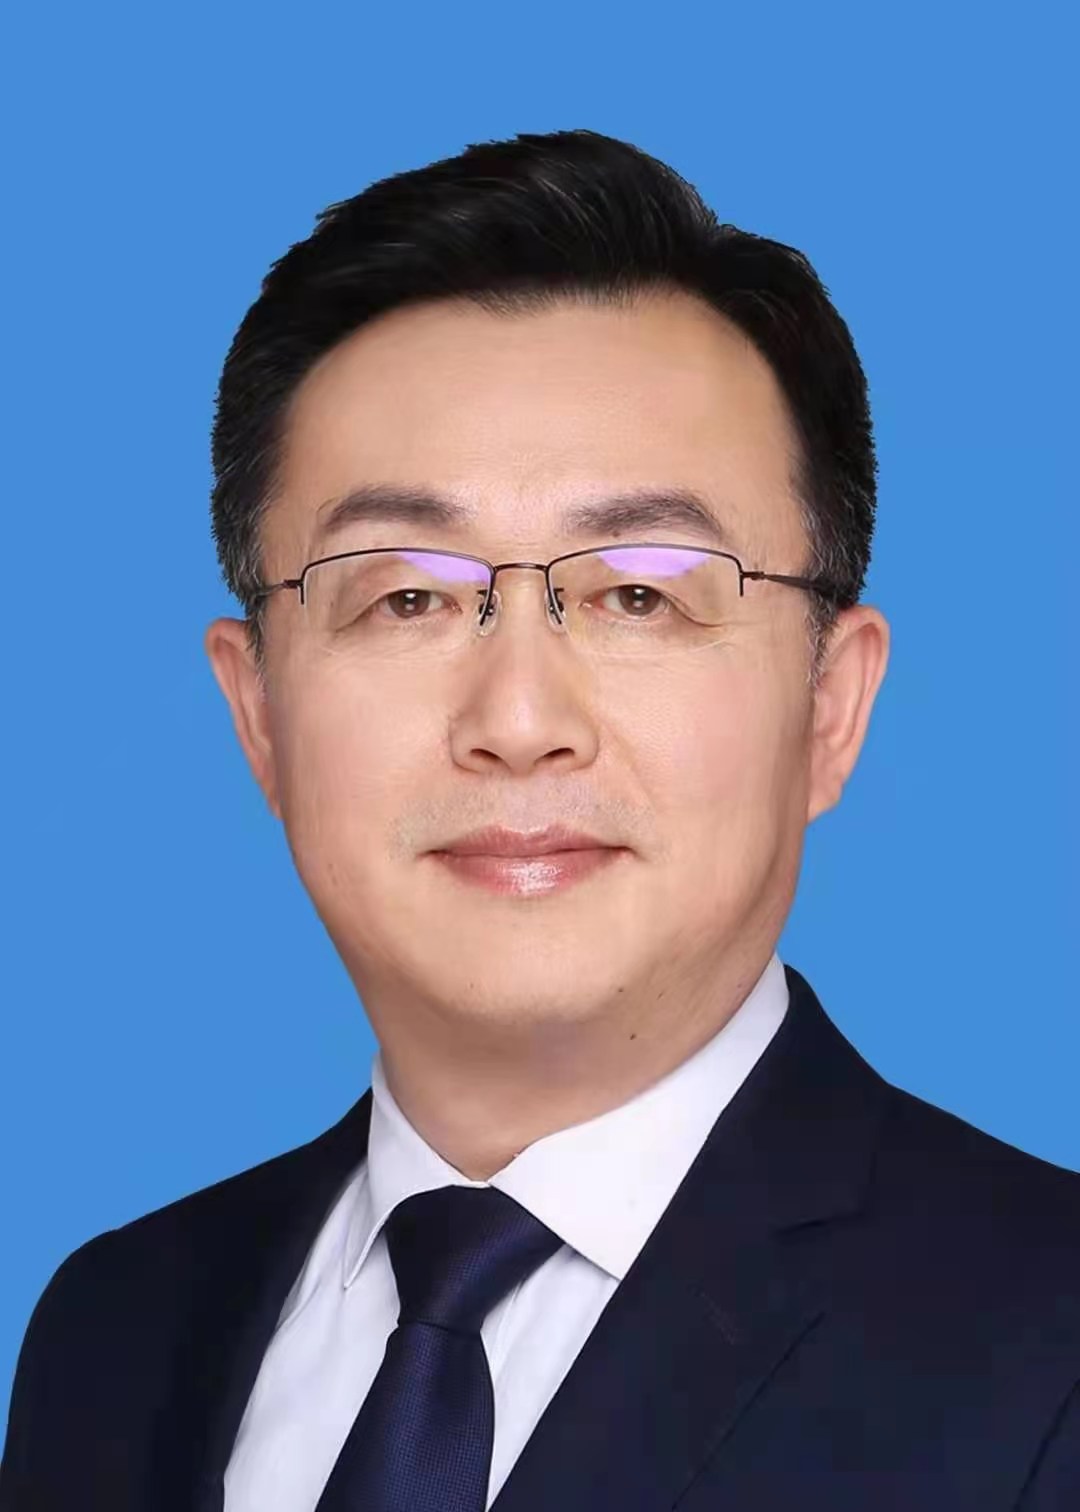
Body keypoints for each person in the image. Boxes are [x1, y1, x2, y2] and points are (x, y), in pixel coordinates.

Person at [2, 128, 1077, 1512]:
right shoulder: (115, 1331)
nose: (517, 719)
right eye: (406, 597)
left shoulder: (1046, 1342)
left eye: (639, 594)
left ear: (831, 705)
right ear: (257, 712)